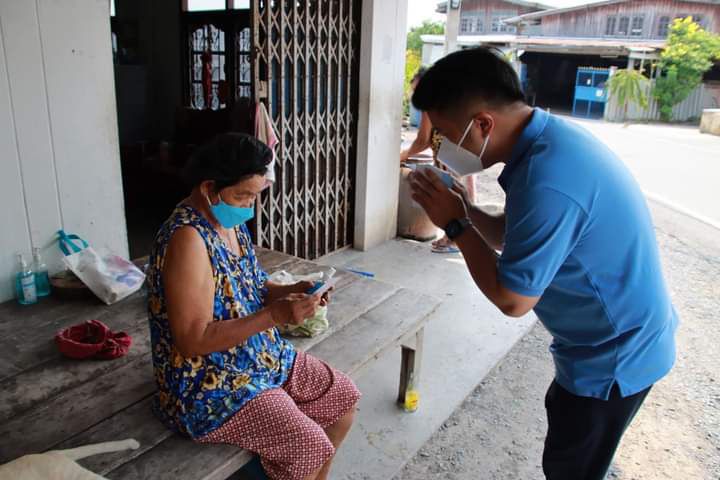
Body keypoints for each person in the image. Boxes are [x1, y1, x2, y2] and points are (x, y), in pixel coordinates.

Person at [409, 47, 677, 480]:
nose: (439, 145)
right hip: (604, 341)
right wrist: (463, 207)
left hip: (613, 356)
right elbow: (511, 233)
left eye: (444, 133)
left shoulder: (548, 177)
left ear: (482, 124)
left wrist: (455, 225)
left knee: (571, 467)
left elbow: (513, 300)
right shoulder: (545, 142)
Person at [146, 133, 360, 480]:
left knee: (343, 401)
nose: (249, 206)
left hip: (257, 354)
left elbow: (253, 287)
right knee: (308, 447)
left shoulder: (228, 223)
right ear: (209, 188)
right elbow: (192, 340)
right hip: (209, 382)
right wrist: (275, 315)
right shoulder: (187, 239)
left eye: (255, 195)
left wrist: (294, 291)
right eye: (243, 196)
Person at [400, 66, 476, 254]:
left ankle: (455, 240)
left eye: (417, 89)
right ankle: (458, 238)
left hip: (449, 154)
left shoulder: (431, 104)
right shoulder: (450, 100)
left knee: (452, 197)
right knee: (463, 196)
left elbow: (423, 140)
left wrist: (401, 155)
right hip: (459, 152)